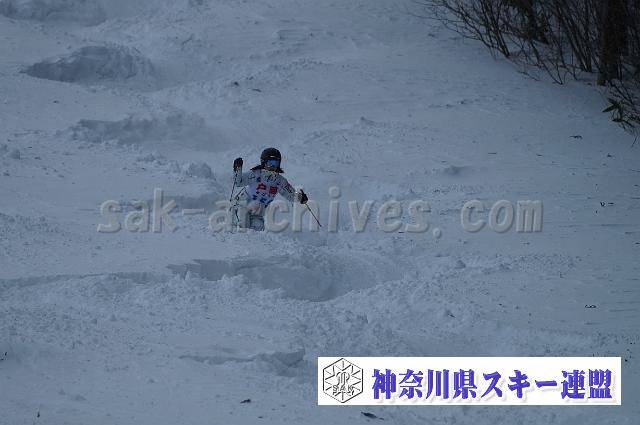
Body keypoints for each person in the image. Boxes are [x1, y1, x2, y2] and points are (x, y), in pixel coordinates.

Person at [231, 147, 308, 231]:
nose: (272, 166)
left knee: (258, 229)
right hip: (242, 206)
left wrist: (300, 198)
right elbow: (239, 182)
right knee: (243, 226)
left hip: (257, 213)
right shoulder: (256, 174)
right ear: (263, 162)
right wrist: (238, 169)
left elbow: (290, 195)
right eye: (270, 163)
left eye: (275, 163)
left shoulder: (279, 181)